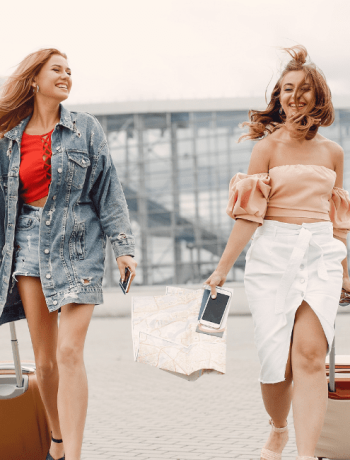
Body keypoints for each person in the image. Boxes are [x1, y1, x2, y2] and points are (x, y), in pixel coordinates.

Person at [205, 45, 350, 460]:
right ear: (278, 97)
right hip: (272, 258)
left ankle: (307, 456)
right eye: (287, 89)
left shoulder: (333, 153)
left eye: (304, 89)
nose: (295, 96)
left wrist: (341, 270)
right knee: (275, 365)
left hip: (319, 253)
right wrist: (221, 269)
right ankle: (278, 426)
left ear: (318, 96)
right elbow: (249, 216)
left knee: (309, 356)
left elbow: (337, 220)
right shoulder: (266, 149)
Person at [0, 48, 137, 460]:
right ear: (34, 81)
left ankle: (73, 455)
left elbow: (107, 189)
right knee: (44, 363)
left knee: (68, 351)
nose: (66, 76)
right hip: (27, 247)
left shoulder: (86, 130)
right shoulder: (9, 139)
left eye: (69, 71)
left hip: (79, 245)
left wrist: (123, 248)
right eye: (56, 70)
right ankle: (57, 442)